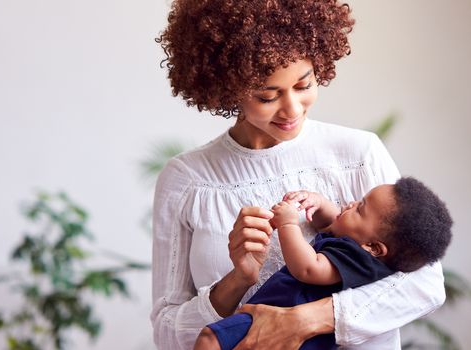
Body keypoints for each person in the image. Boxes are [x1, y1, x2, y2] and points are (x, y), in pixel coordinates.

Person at [151, 0, 446, 349]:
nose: (292, 109)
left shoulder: (358, 153)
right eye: (266, 95)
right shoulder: (188, 180)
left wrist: (305, 320)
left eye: (304, 86)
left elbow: (425, 284)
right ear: (227, 88)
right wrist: (238, 279)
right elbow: (167, 333)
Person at [194, 177, 453, 349]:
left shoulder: (357, 259)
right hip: (285, 328)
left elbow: (308, 268)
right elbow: (332, 223)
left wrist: (287, 224)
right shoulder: (360, 248)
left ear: (373, 248)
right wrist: (318, 203)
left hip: (278, 320)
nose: (350, 204)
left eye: (360, 208)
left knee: (210, 339)